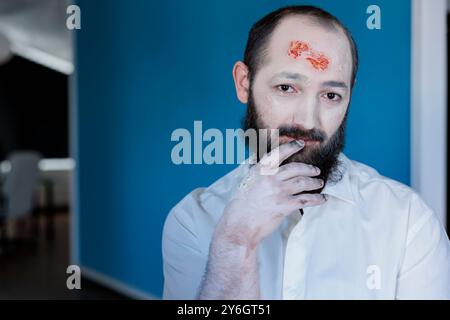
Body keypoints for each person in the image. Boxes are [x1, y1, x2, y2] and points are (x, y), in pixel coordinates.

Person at [162, 5, 450, 299]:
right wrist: (235, 243)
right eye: (286, 87)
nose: (308, 121)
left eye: (331, 95)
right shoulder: (193, 221)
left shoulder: (409, 223)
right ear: (243, 83)